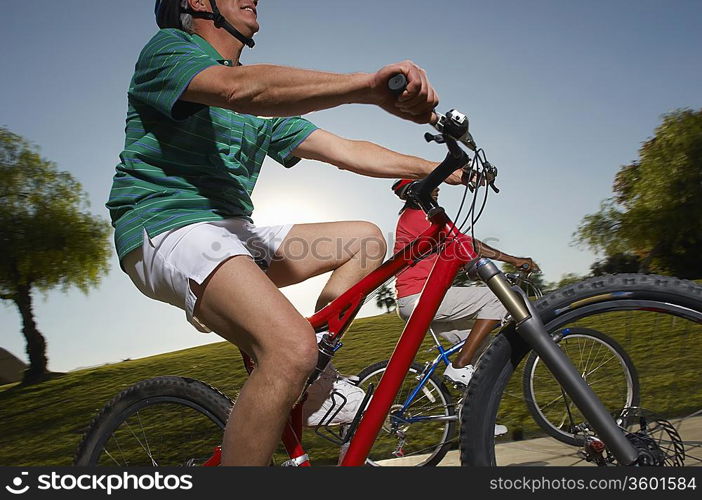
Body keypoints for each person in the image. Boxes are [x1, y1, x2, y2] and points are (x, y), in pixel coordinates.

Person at [106, 0, 465, 466]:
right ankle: (297, 362)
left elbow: (343, 150)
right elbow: (239, 90)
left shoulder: (264, 103)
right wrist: (368, 86)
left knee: (365, 239)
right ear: (197, 2)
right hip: (166, 227)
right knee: (290, 347)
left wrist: (443, 167)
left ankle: (315, 381)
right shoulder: (170, 50)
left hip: (231, 232)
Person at [391, 179, 539, 386]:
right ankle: (460, 365)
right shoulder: (420, 216)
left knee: (482, 349)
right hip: (421, 296)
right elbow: (466, 244)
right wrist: (514, 260)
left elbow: (448, 254)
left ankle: (470, 408)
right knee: (501, 296)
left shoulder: (413, 219)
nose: (438, 188)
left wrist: (469, 267)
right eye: (432, 184)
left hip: (420, 298)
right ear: (416, 192)